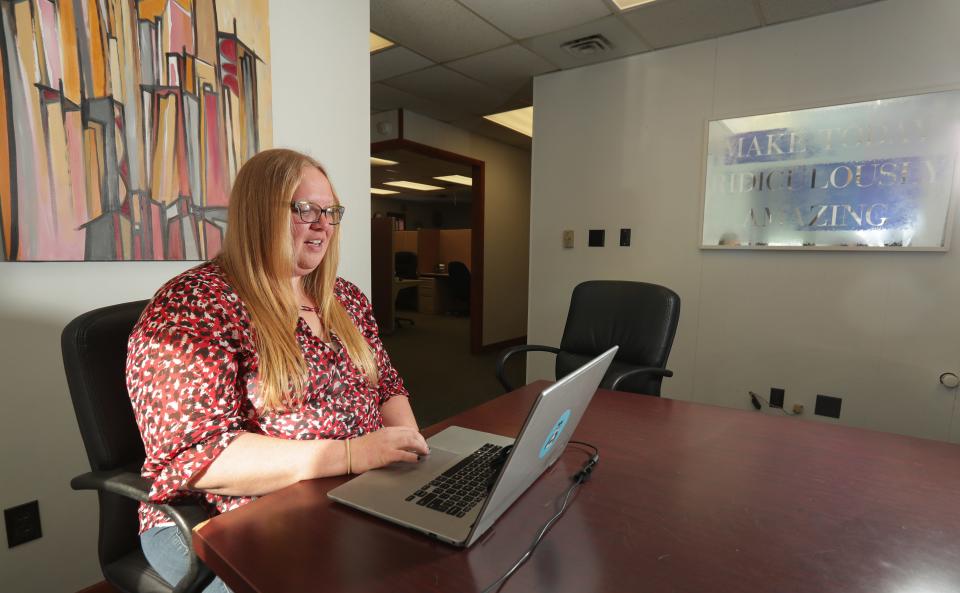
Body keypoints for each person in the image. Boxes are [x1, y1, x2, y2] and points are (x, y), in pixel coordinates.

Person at [126, 148, 430, 592]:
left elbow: (385, 384)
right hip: (223, 518)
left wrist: (412, 456)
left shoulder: (343, 297)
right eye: (305, 208)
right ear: (258, 213)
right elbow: (197, 455)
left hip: (347, 494)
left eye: (330, 211)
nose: (323, 223)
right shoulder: (192, 305)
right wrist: (350, 454)